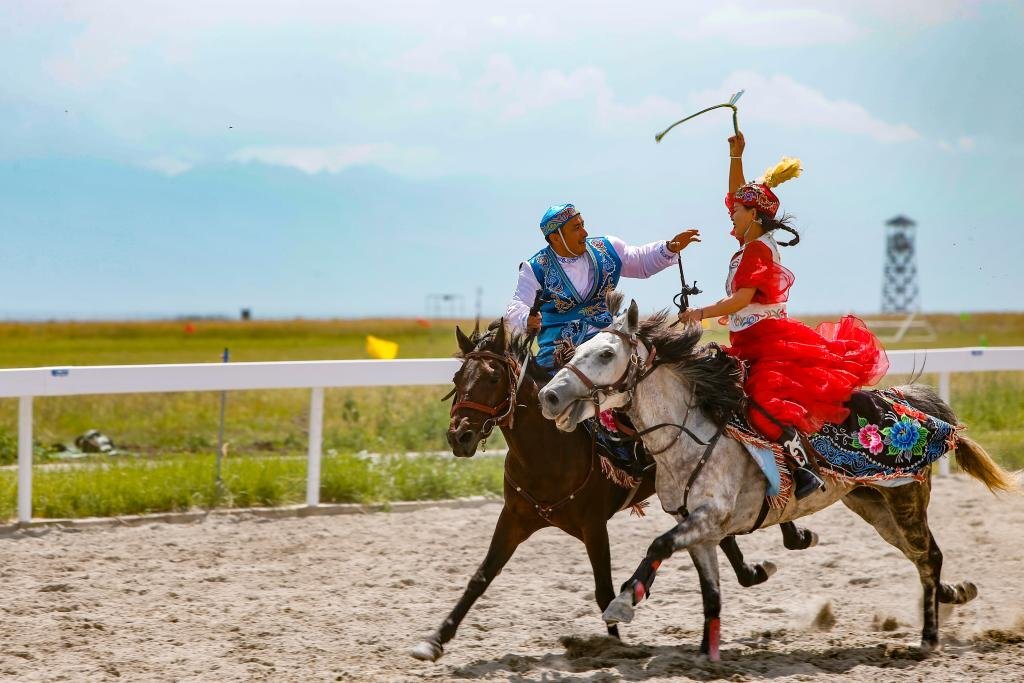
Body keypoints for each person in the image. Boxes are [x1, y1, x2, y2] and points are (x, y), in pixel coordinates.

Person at [678, 133, 889, 499]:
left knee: (762, 407)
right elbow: (736, 194)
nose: (730, 211)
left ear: (754, 215)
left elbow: (740, 300)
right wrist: (734, 156)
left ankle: (804, 469)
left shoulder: (757, 250)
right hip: (747, 341)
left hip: (769, 343)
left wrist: (699, 314)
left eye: (737, 210)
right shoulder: (749, 242)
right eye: (733, 207)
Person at [507, 203, 699, 368]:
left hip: (608, 339)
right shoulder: (534, 268)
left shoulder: (607, 247)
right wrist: (526, 319)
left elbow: (639, 260)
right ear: (556, 237)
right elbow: (516, 307)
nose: (585, 232)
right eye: (576, 228)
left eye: (583, 225)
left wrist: (669, 248)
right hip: (561, 353)